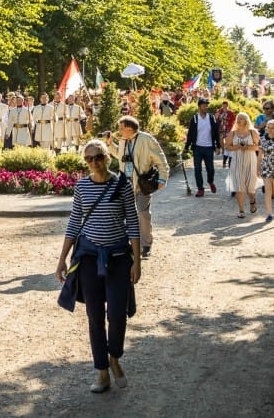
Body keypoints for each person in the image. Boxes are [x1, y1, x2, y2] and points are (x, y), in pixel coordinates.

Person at [54, 139, 141, 394]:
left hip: (118, 257)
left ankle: (114, 357)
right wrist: (62, 259)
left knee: (116, 314)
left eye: (99, 157)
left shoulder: (122, 184)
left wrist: (137, 261)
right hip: (89, 258)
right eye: (89, 159)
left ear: (107, 157)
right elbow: (74, 223)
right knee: (94, 317)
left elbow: (133, 223)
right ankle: (102, 371)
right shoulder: (82, 187)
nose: (95, 163)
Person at [113, 116, 167, 258]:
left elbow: (160, 159)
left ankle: (146, 244)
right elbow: (119, 155)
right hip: (126, 183)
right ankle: (128, 243)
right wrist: (109, 143)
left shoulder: (146, 139)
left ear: (129, 128)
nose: (119, 130)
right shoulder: (123, 140)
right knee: (125, 214)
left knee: (143, 214)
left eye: (121, 127)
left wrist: (163, 178)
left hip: (142, 183)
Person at [183, 98, 222, 197]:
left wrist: (218, 146)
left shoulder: (211, 118)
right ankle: (200, 189)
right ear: (199, 106)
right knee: (197, 169)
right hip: (197, 148)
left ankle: (210, 181)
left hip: (209, 147)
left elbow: (216, 133)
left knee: (210, 169)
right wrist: (187, 146)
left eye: (207, 105)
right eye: (204, 105)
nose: (206, 107)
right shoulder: (195, 119)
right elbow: (190, 134)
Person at [228, 113, 261, 219]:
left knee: (250, 187)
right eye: (238, 118)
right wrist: (237, 146)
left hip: (250, 161)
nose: (238, 120)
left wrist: (247, 147)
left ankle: (252, 200)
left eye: (241, 118)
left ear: (246, 120)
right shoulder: (233, 133)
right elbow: (227, 146)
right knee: (239, 186)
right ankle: (241, 210)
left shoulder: (253, 132)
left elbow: (258, 147)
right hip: (237, 161)